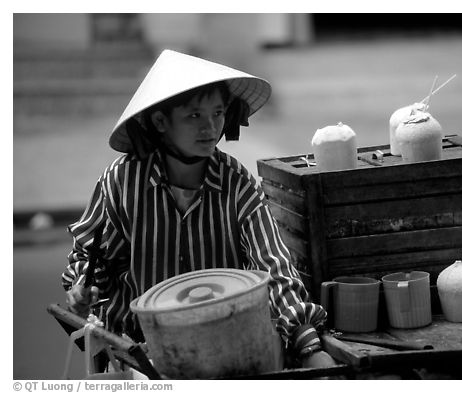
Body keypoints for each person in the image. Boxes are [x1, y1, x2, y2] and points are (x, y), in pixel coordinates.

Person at [61, 49, 336, 371]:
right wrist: (84, 286)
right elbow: (91, 258)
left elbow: (273, 265)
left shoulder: (236, 183)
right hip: (140, 353)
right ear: (160, 121)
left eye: (217, 113)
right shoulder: (121, 182)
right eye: (194, 116)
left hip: (224, 345)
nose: (210, 127)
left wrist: (308, 342)